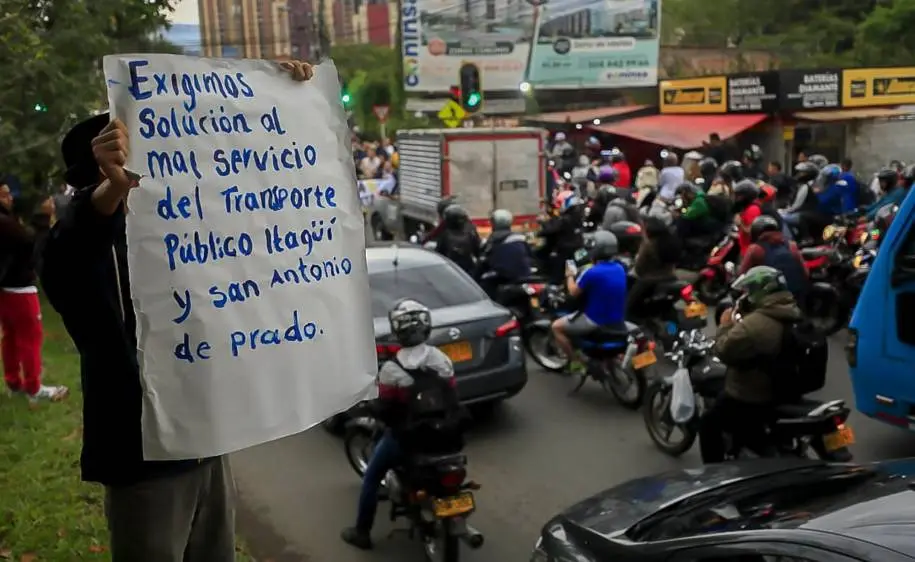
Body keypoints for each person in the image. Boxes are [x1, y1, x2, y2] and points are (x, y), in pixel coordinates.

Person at [39, 60, 315, 562]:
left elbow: (248, 187)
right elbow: (76, 243)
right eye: (128, 167)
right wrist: (114, 186)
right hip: (144, 458)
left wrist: (280, 94)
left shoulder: (178, 235)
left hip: (208, 440)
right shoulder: (77, 251)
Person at [341, 298, 461, 550]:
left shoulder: (391, 370)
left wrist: (372, 407)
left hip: (407, 439)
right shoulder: (442, 360)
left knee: (372, 478)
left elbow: (385, 408)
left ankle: (362, 532)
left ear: (398, 331)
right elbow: (453, 396)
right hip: (447, 435)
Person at [699, 266, 802, 463]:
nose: (746, 295)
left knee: (709, 423)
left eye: (749, 291)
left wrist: (725, 324)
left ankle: (713, 476)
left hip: (752, 395)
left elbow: (722, 350)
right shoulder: (790, 310)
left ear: (761, 291)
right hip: (785, 388)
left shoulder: (756, 325)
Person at [0, 183, 67, 403]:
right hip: (20, 289)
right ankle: (33, 388)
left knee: (10, 336)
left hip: (5, 290)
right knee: (30, 338)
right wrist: (44, 221)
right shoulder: (6, 223)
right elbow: (31, 243)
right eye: (5, 195)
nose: (10, 198)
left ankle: (14, 382)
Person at [550, 230, 627, 373]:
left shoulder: (592, 272)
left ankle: (576, 362)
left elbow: (573, 292)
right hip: (617, 319)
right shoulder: (620, 268)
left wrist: (569, 275)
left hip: (595, 320)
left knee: (556, 327)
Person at [739, 216, 808, 303]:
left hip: (771, 301)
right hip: (797, 299)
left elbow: (742, 276)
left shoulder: (755, 250)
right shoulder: (792, 245)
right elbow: (805, 273)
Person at [627, 216, 680, 316]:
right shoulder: (672, 241)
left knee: (629, 306)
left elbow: (639, 268)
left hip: (649, 281)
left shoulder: (649, 245)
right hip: (671, 276)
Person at [478, 209, 531, 293]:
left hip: (502, 278)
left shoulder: (492, 241)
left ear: (494, 223)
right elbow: (530, 255)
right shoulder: (520, 238)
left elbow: (484, 262)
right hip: (523, 276)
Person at [780, 161, 821, 241]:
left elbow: (796, 206)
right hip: (805, 213)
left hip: (804, 214)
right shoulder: (805, 186)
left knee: (781, 218)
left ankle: (789, 241)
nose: (798, 174)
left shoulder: (805, 187)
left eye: (802, 173)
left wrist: (783, 211)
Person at [435, 205, 481, 275]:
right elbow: (478, 251)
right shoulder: (470, 231)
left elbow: (439, 253)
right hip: (468, 269)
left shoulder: (445, 234)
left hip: (452, 269)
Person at [733, 180, 762, 257]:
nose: (736, 199)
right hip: (744, 249)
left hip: (748, 252)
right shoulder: (746, 208)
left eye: (739, 196)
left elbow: (751, 232)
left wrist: (740, 224)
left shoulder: (753, 209)